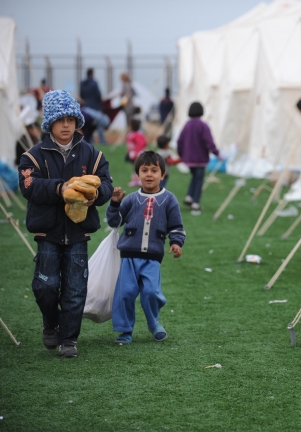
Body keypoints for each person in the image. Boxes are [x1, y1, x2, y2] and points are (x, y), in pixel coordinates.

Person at [18, 89, 114, 358]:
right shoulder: (33, 156)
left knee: (75, 289)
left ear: (77, 122)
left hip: (78, 233)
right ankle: (51, 322)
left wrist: (96, 194)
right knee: (45, 285)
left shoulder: (92, 155)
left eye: (71, 120)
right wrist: (61, 189)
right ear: (49, 123)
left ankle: (68, 339)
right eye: (61, 120)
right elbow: (28, 186)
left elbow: (106, 183)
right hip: (46, 232)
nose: (66, 125)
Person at [107, 151, 185, 344]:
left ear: (163, 175)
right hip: (128, 256)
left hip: (153, 257)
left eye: (154, 170)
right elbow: (114, 222)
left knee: (151, 292)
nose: (149, 174)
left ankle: (153, 322)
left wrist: (176, 242)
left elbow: (176, 226)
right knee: (125, 294)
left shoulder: (169, 199)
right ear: (137, 174)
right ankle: (125, 330)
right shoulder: (131, 199)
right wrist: (115, 204)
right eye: (144, 170)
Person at [176, 101, 219, 215]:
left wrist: (181, 154)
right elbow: (208, 142)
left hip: (189, 159)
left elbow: (180, 140)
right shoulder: (203, 126)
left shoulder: (187, 125)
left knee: (194, 177)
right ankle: (195, 203)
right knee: (199, 180)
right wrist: (217, 153)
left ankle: (190, 196)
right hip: (200, 159)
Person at [80, 68, 107, 143]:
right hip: (95, 107)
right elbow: (98, 95)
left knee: (88, 125)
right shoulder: (94, 83)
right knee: (100, 123)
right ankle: (102, 140)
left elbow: (81, 95)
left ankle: (89, 141)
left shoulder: (82, 83)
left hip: (86, 107)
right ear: (92, 74)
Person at [126, 118, 147, 187]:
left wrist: (136, 152)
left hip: (137, 154)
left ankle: (139, 180)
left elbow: (141, 143)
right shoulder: (131, 134)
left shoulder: (137, 135)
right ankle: (135, 180)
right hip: (133, 154)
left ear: (132, 126)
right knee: (135, 167)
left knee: (139, 167)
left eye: (129, 125)